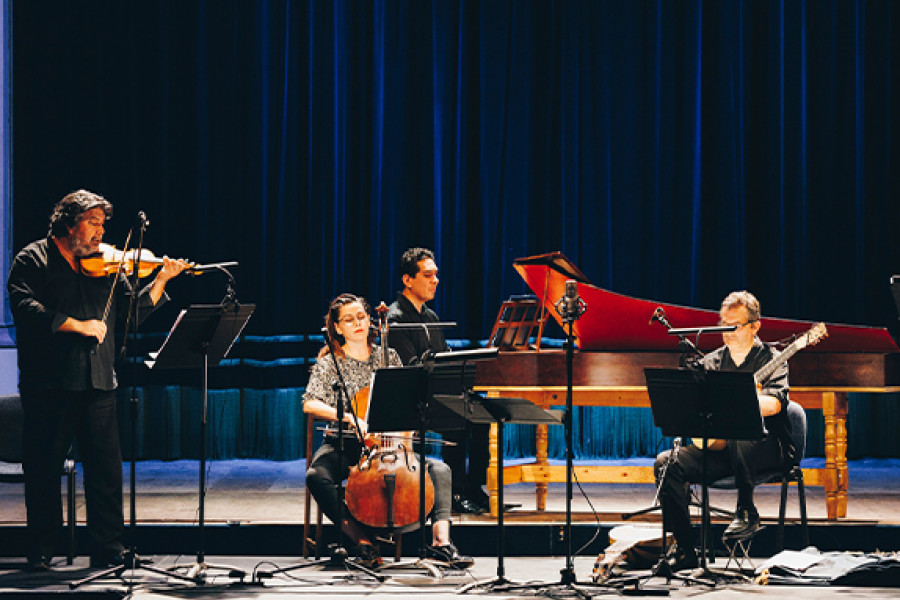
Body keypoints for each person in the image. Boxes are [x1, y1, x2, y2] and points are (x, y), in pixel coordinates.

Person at [7, 190, 190, 571]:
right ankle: (42, 549)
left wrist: (162, 278)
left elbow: (131, 312)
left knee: (106, 471)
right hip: (50, 383)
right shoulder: (33, 258)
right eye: (93, 223)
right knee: (43, 470)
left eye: (102, 225)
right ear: (68, 223)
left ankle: (108, 548)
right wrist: (79, 325)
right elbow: (25, 307)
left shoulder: (104, 265)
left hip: (99, 381)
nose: (100, 232)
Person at [303, 293, 474, 570]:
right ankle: (362, 542)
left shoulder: (388, 355)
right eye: (349, 319)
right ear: (337, 327)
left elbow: (406, 398)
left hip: (392, 444)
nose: (358, 323)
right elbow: (310, 402)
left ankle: (441, 545)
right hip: (345, 444)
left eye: (361, 316)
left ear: (370, 320)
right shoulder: (329, 363)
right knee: (316, 475)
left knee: (440, 470)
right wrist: (349, 417)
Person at [653, 291, 793, 571]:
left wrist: (741, 402)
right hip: (721, 452)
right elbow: (694, 407)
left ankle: (746, 510)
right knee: (667, 463)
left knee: (741, 432)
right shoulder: (712, 361)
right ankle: (684, 548)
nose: (727, 332)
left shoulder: (772, 359)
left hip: (767, 449)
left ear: (755, 325)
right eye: (723, 325)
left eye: (735, 325)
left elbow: (776, 403)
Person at [385, 248, 491, 515]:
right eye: (428, 275)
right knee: (458, 419)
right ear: (407, 280)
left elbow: (442, 359)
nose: (435, 280)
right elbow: (411, 370)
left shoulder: (430, 317)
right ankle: (453, 492)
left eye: (436, 275)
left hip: (436, 393)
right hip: (414, 399)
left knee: (484, 413)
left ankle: (473, 488)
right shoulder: (396, 317)